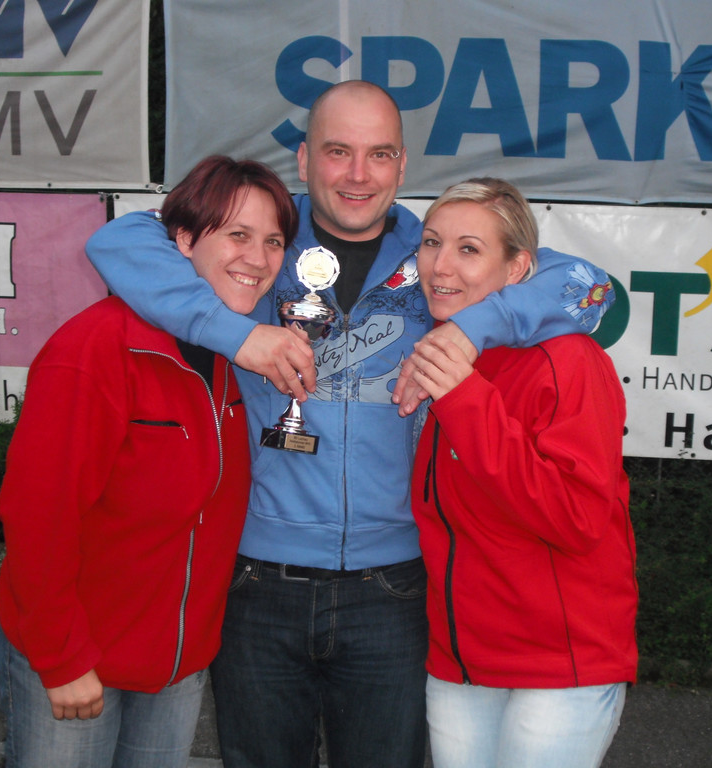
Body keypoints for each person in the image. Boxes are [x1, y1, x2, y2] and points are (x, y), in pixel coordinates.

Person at [85, 81, 615, 768]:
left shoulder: (434, 256)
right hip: (256, 581)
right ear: (305, 159)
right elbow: (120, 238)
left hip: (393, 587)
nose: (358, 175)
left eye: (379, 154)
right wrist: (238, 336)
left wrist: (475, 328)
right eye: (338, 152)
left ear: (402, 163)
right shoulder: (261, 240)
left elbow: (591, 286)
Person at [0, 155, 298, 768]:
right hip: (78, 657)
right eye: (237, 235)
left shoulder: (235, 355)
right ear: (182, 240)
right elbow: (39, 515)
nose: (258, 259)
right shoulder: (97, 348)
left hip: (175, 663)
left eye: (273, 242)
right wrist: (61, 656)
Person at [407, 178, 637, 768]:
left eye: (469, 249)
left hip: (558, 667)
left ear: (517, 269)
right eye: (431, 242)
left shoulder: (570, 359)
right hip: (461, 661)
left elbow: (576, 518)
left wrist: (465, 400)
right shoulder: (441, 349)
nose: (440, 265)